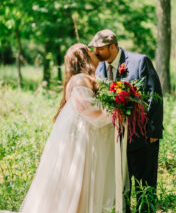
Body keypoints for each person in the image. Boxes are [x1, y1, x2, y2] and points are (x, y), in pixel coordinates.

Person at [1, 43, 115, 213]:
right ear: (84, 57)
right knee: (77, 177)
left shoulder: (75, 79)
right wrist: (113, 113)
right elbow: (86, 106)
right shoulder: (81, 79)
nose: (93, 54)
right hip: (80, 134)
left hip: (73, 132)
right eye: (89, 52)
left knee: (70, 176)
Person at [89, 29, 163, 213]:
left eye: (99, 48)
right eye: (94, 48)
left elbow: (154, 97)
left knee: (144, 186)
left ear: (112, 47)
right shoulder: (100, 68)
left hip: (143, 138)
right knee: (120, 187)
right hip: (115, 140)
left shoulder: (139, 62)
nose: (95, 52)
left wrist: (153, 133)